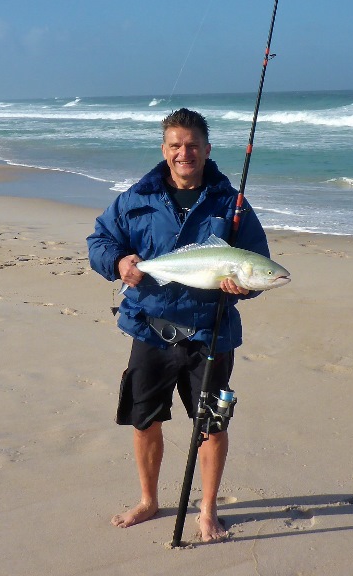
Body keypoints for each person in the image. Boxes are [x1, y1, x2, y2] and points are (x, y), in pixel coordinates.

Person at [87, 108, 270, 542]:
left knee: (211, 424)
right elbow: (100, 240)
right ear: (164, 149)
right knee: (144, 419)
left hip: (210, 333)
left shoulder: (233, 205)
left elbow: (258, 263)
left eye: (192, 145)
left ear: (207, 150)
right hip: (150, 329)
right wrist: (118, 262)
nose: (183, 153)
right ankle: (149, 500)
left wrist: (246, 288)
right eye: (175, 145)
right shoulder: (137, 198)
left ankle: (207, 510)